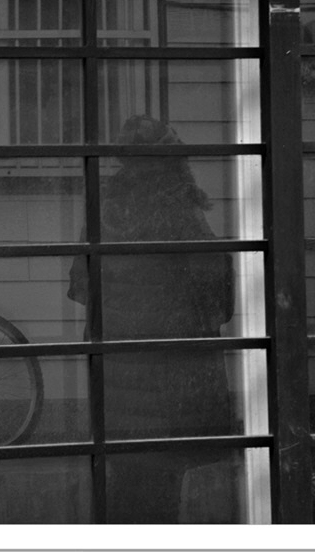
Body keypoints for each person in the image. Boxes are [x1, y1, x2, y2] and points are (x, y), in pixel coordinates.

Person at [67, 115, 238, 523]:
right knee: (161, 484)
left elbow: (81, 282)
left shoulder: (107, 201)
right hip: (168, 371)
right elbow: (211, 284)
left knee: (124, 479)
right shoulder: (177, 205)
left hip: (117, 368)